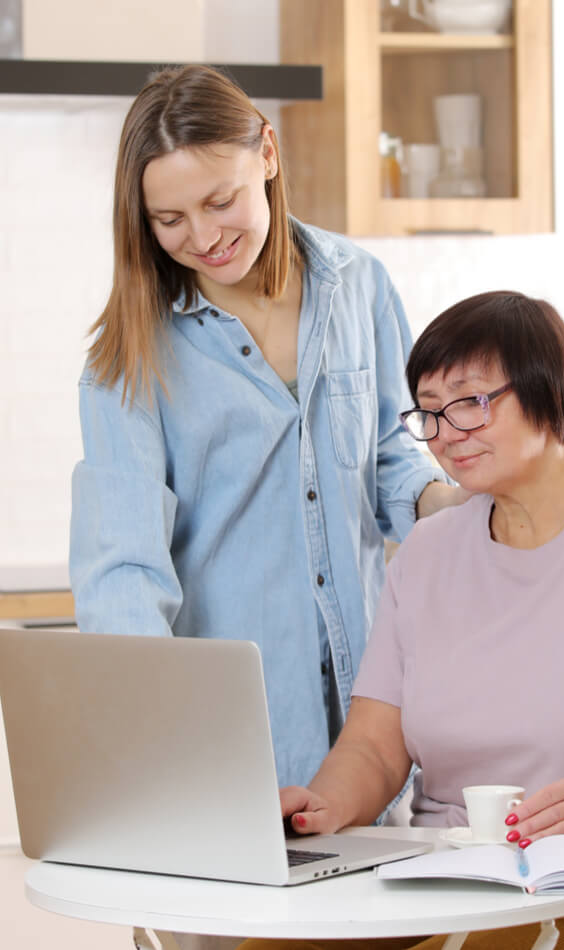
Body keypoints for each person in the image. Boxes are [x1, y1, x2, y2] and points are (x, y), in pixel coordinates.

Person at [68, 63, 464, 794]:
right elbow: (123, 572)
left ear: (269, 156)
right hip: (232, 751)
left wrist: (451, 504)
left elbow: (387, 460)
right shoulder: (127, 357)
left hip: (372, 733)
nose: (206, 237)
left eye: (221, 201)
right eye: (170, 220)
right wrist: (167, 738)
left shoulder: (360, 285)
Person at [270, 291, 564, 950]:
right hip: (443, 892)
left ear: (546, 389)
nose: (445, 433)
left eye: (469, 402)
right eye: (429, 412)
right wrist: (323, 805)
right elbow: (374, 746)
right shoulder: (428, 553)